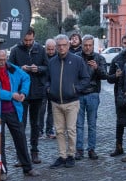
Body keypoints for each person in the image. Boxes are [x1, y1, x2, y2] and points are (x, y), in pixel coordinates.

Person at [0, 49, 38, 177]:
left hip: (13, 110)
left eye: (4, 58)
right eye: (0, 60)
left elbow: (26, 77)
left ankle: (27, 167)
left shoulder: (11, 67)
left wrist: (23, 92)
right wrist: (12, 95)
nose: (3, 62)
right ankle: (1, 171)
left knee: (21, 138)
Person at [46, 35, 90, 168]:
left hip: (71, 101)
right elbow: (47, 78)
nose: (61, 47)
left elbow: (85, 78)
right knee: (59, 131)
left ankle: (71, 155)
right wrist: (49, 88)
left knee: (71, 130)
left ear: (68, 45)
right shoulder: (52, 62)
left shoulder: (77, 60)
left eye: (64, 45)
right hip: (56, 101)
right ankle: (62, 155)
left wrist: (76, 89)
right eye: (59, 45)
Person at [8, 29, 49, 165]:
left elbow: (47, 67)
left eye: (30, 40)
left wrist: (39, 69)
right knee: (21, 125)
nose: (28, 43)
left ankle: (34, 151)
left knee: (35, 124)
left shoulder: (40, 50)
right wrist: (21, 68)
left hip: (37, 92)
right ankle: (22, 155)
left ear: (34, 38)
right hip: (21, 94)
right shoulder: (15, 50)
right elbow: (8, 68)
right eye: (25, 40)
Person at [75, 35, 107, 159]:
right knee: (78, 124)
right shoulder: (76, 57)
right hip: (79, 94)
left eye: (90, 45)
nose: (87, 48)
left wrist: (97, 68)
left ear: (93, 46)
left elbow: (105, 76)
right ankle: (79, 149)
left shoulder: (99, 58)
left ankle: (91, 149)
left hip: (93, 93)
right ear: (81, 45)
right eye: (85, 45)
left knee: (92, 124)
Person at [107, 34, 126, 156]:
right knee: (120, 121)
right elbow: (109, 79)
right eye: (125, 43)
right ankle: (119, 147)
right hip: (119, 95)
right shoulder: (116, 59)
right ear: (121, 44)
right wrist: (116, 76)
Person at [43, 38, 58, 138]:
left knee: (52, 110)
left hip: (54, 87)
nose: (51, 51)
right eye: (49, 49)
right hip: (42, 86)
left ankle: (49, 129)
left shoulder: (58, 56)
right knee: (41, 110)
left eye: (53, 49)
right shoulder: (42, 56)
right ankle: (39, 129)